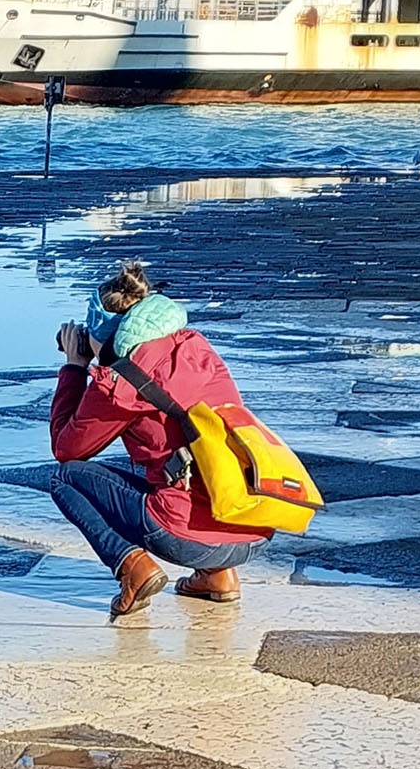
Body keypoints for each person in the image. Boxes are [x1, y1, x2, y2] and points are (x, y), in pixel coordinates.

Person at [47, 263, 273, 617]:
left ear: (102, 332)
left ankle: (133, 567)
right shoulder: (194, 347)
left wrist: (76, 367)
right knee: (185, 467)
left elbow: (67, 449)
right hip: (254, 529)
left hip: (186, 537)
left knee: (65, 478)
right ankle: (219, 577)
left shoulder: (119, 382)